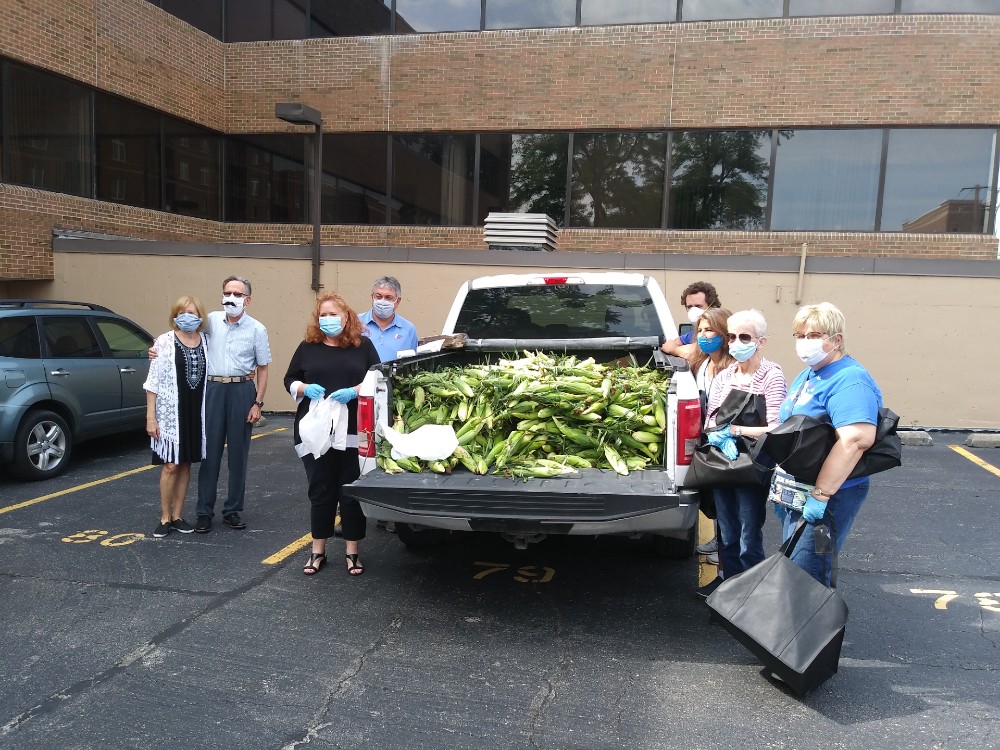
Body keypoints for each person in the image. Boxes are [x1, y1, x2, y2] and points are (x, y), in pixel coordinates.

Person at [770, 302, 881, 586]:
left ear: (836, 340)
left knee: (809, 573)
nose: (806, 342)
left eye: (815, 335)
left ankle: (808, 630)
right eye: (800, 336)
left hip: (828, 496)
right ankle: (794, 627)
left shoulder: (850, 379)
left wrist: (820, 495)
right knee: (795, 566)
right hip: (796, 491)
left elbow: (856, 439)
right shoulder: (809, 375)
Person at [284, 292, 381, 577]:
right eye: (322, 315)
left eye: (333, 314)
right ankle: (318, 550)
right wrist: (303, 389)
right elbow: (289, 378)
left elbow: (377, 376)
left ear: (347, 317)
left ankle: (352, 552)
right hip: (316, 430)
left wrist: (354, 391)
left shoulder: (362, 346)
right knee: (321, 489)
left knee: (350, 490)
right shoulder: (307, 347)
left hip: (353, 428)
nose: (328, 319)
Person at [696, 309, 787, 598]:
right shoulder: (725, 376)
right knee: (727, 527)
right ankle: (728, 583)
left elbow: (775, 426)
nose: (737, 342)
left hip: (753, 464)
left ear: (761, 341)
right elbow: (711, 418)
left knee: (749, 530)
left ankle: (750, 591)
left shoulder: (771, 375)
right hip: (723, 463)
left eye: (744, 337)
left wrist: (734, 431)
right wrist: (719, 433)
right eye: (732, 336)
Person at [195, 275, 271, 533]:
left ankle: (233, 510)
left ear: (247, 300)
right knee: (210, 454)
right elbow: (185, 334)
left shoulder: (257, 329)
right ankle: (204, 512)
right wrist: (157, 347)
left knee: (238, 455)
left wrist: (257, 403)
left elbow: (262, 368)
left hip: (241, 390)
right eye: (228, 292)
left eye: (238, 294)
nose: (232, 298)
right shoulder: (211, 321)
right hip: (213, 389)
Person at [143, 296, 208, 538]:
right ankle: (164, 517)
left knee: (185, 464)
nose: (187, 316)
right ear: (175, 316)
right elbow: (152, 383)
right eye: (182, 312)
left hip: (195, 411)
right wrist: (151, 417)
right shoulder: (163, 342)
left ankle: (178, 515)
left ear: (200, 316)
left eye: (191, 312)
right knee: (170, 465)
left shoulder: (206, 342)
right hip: (171, 412)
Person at [688, 307, 736, 563]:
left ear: (725, 333)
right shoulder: (702, 362)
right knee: (714, 495)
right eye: (700, 331)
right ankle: (720, 540)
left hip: (727, 439)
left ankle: (726, 547)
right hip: (707, 437)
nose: (704, 335)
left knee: (729, 496)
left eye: (710, 330)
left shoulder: (731, 367)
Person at [358, 276, 418, 362]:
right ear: (372, 298)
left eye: (388, 298)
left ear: (397, 301)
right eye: (378, 297)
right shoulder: (355, 323)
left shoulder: (408, 329)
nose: (382, 301)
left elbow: (413, 363)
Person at [660, 281, 722, 357]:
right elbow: (671, 344)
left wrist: (674, 349)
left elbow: (696, 352)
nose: (693, 310)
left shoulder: (721, 329)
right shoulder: (693, 334)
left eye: (698, 306)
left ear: (712, 306)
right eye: (689, 307)